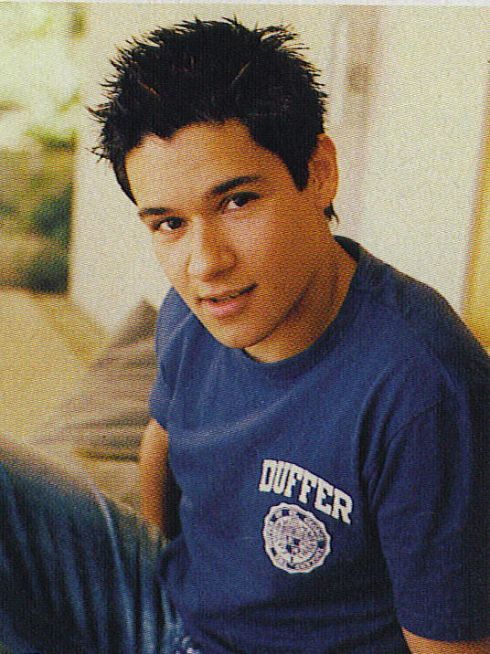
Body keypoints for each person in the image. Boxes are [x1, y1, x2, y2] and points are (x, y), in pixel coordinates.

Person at [0, 17, 488, 654]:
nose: (205, 264)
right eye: (169, 223)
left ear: (318, 172)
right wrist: (168, 574)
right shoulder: (191, 311)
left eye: (236, 202)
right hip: (171, 614)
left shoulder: (422, 392)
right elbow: (161, 451)